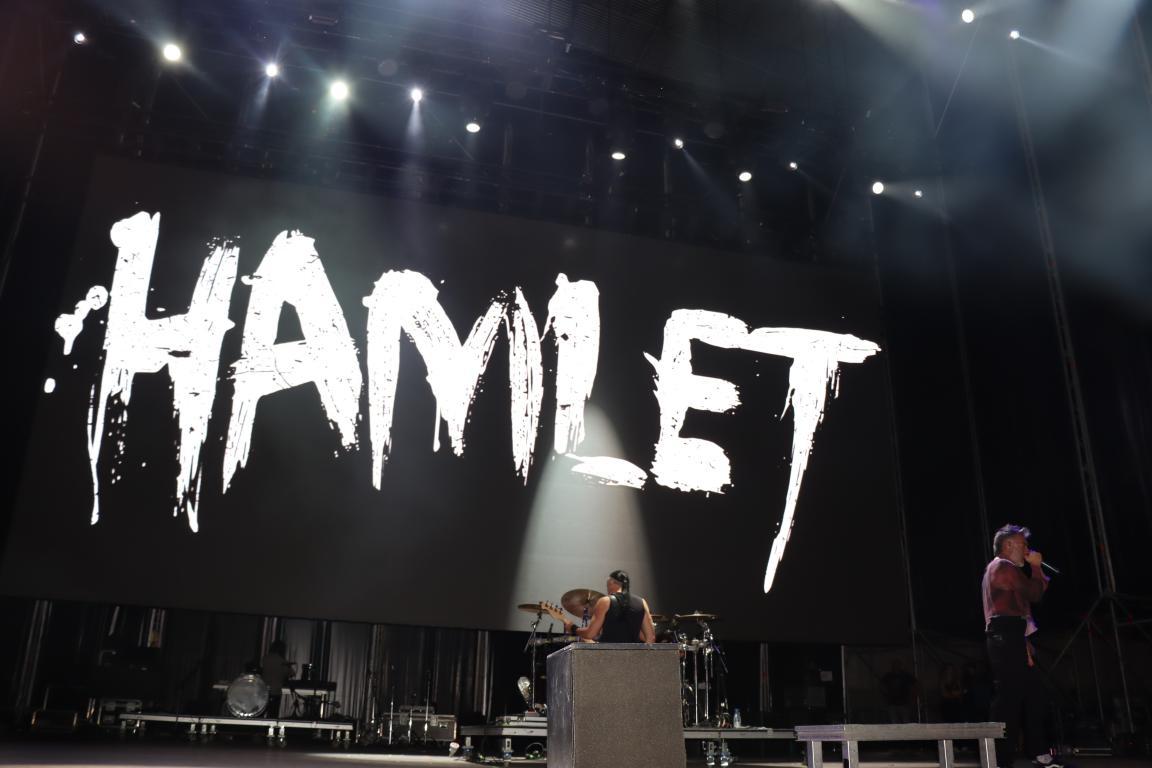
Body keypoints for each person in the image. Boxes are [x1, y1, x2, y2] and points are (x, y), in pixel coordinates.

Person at [982, 524, 1062, 768]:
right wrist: (1036, 566)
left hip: (1012, 635)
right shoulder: (1003, 567)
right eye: (1023, 544)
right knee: (1009, 698)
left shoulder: (1003, 569)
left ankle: (1037, 751)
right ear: (1008, 545)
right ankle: (999, 758)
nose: (1027, 549)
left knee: (1035, 693)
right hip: (1004, 635)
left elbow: (1020, 607)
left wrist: (1024, 643)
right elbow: (1033, 594)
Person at [563, 570, 656, 643]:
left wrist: (573, 628)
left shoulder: (605, 601)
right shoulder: (642, 602)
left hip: (608, 656)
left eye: (607, 585)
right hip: (633, 657)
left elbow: (590, 634)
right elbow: (651, 638)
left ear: (612, 582)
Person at [260, 640, 293, 719]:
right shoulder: (281, 661)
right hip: (275, 691)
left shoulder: (266, 658)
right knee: (273, 715)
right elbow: (291, 673)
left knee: (261, 712)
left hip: (264, 690)